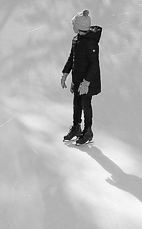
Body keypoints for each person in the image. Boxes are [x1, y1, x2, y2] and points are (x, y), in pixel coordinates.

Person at [61, 10, 103, 145]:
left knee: (85, 103)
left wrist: (86, 82)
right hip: (77, 79)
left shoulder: (90, 43)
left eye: (73, 24)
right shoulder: (76, 39)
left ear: (79, 27)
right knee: (77, 103)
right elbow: (71, 58)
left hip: (87, 81)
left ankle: (88, 131)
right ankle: (76, 127)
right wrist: (65, 73)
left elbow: (94, 64)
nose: (72, 26)